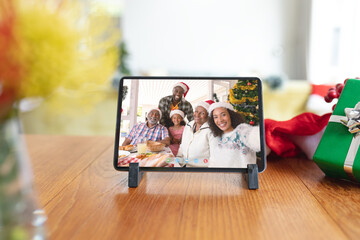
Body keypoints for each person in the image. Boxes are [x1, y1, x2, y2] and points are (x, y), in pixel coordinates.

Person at [208, 102, 260, 168]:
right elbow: (213, 163)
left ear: (231, 115)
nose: (220, 120)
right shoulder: (217, 138)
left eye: (223, 115)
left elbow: (256, 139)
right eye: (215, 117)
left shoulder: (241, 130)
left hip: (244, 177)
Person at [177, 100, 215, 167]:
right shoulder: (188, 125)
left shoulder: (211, 131)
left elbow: (214, 156)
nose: (197, 115)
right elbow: (182, 145)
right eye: (196, 111)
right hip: (183, 165)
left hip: (200, 170)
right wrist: (178, 159)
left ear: (208, 115)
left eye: (202, 113)